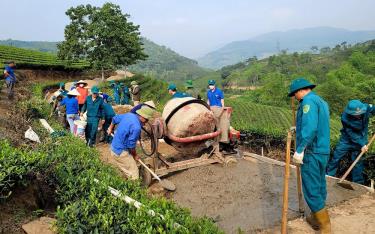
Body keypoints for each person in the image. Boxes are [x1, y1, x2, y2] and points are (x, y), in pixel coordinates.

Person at [288, 78, 331, 233]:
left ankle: (325, 227)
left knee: (311, 188)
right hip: (323, 150)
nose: (294, 97)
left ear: (300, 91)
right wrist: (297, 127)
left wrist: (300, 150)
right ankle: (316, 216)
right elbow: (316, 124)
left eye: (294, 94)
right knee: (319, 185)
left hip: (311, 151)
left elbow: (311, 128)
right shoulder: (320, 101)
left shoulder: (307, 102)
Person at [327, 100, 375, 184]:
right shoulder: (345, 117)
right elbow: (351, 133)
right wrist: (362, 144)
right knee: (336, 156)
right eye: (355, 114)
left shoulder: (366, 107)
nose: (358, 115)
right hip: (347, 139)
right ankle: (329, 176)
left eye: (360, 113)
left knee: (358, 160)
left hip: (361, 137)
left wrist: (362, 143)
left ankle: (358, 183)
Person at [107, 105, 154, 179]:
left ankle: (127, 179)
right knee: (134, 174)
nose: (147, 122)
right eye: (146, 119)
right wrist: (135, 155)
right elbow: (131, 146)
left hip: (113, 148)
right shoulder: (136, 127)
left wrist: (110, 127)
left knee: (128, 168)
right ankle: (133, 189)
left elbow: (114, 119)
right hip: (120, 152)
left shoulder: (129, 115)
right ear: (142, 116)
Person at [206, 80, 231, 151]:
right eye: (210, 85)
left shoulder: (219, 91)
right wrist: (207, 108)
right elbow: (208, 101)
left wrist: (223, 108)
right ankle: (210, 142)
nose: (211, 86)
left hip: (218, 109)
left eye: (212, 85)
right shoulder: (208, 92)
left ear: (214, 85)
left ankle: (222, 140)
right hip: (211, 109)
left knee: (221, 125)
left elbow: (222, 100)